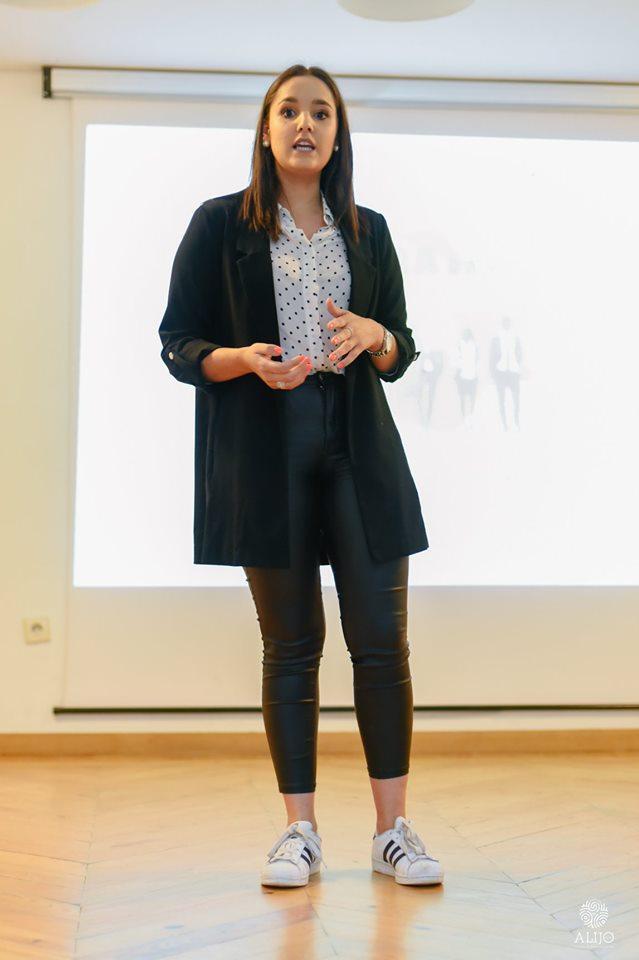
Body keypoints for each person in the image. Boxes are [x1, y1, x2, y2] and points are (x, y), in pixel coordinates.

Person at [158, 63, 443, 889]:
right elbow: (178, 343)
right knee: (290, 647)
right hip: (265, 451)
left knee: (380, 644)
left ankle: (392, 833)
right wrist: (242, 359)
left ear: (338, 134)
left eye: (320, 112)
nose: (304, 124)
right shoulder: (219, 224)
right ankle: (299, 831)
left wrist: (376, 335)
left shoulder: (368, 230)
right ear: (266, 129)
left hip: (358, 447)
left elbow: (400, 346)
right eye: (289, 111)